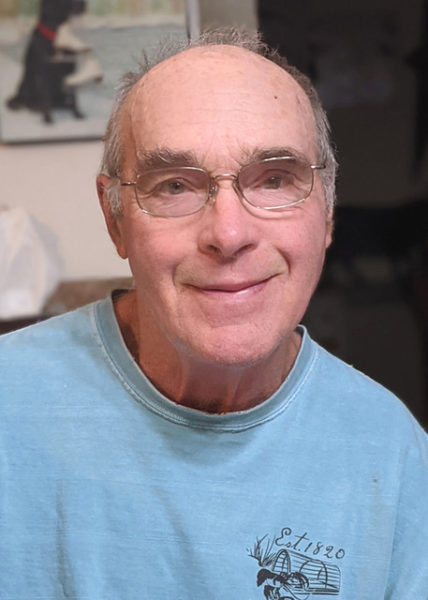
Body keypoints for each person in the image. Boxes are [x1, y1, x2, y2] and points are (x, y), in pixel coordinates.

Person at [0, 28, 427, 600]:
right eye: (175, 185)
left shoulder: (396, 457)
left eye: (274, 179)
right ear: (115, 219)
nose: (228, 234)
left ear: (327, 211)